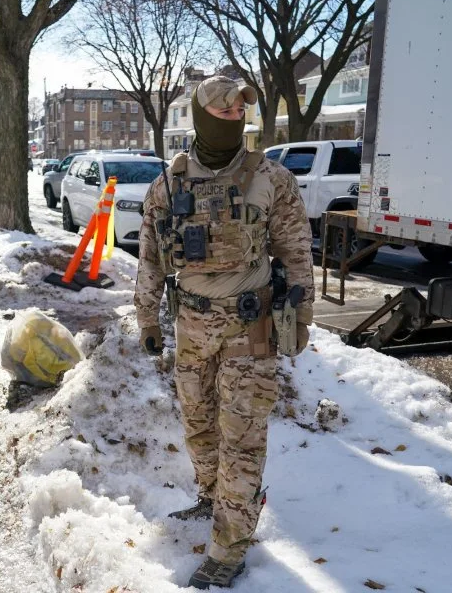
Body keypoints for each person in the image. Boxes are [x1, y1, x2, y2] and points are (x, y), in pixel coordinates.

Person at [135, 76, 314, 588]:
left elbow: (296, 254)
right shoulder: (168, 184)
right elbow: (150, 260)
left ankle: (229, 547)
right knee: (199, 426)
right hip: (191, 323)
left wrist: (300, 317)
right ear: (200, 115)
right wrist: (148, 318)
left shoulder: (271, 178)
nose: (235, 118)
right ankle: (212, 499)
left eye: (241, 113)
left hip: (251, 325)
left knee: (242, 436)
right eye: (225, 111)